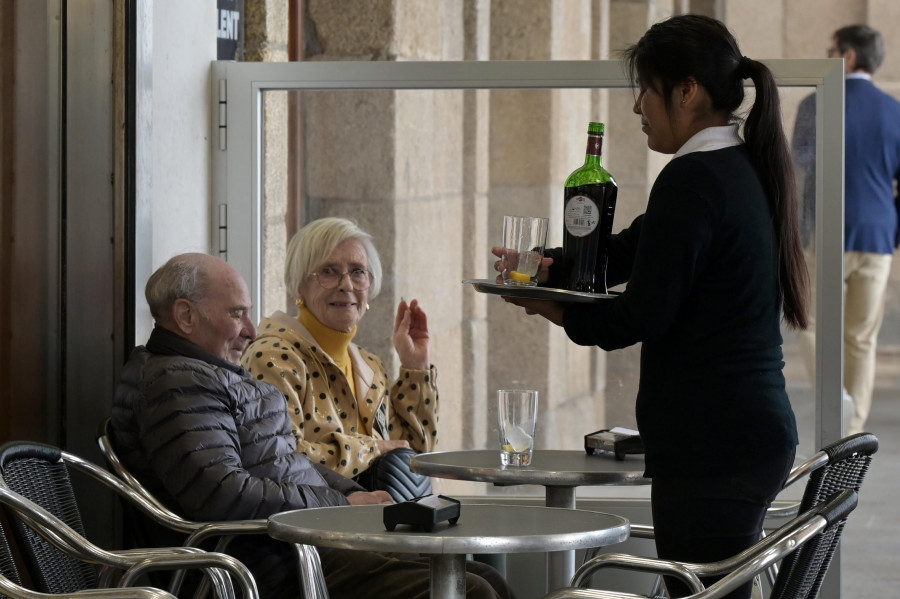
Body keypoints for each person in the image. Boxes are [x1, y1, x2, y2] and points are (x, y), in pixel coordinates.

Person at [495, 15, 806, 599]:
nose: (638, 106)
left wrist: (549, 307)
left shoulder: (694, 178)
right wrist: (548, 266)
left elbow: (638, 316)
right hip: (738, 436)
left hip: (714, 445)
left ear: (687, 92)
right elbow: (631, 251)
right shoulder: (736, 168)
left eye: (646, 88)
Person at [110, 252, 514, 599]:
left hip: (298, 543)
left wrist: (357, 500)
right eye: (238, 314)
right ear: (185, 315)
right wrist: (341, 506)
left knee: (482, 575)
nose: (251, 330)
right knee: (470, 589)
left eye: (359, 272)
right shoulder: (178, 383)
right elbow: (221, 494)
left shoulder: (206, 372)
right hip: (266, 563)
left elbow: (289, 458)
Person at [240, 217, 438, 484]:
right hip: (317, 522)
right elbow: (281, 461)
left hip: (376, 519)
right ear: (300, 285)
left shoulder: (370, 366)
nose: (346, 285)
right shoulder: (273, 358)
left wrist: (416, 366)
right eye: (329, 272)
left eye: (358, 272)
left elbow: (413, 460)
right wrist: (372, 449)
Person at [793, 24, 900, 435]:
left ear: (849, 56)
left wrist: (798, 232)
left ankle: (834, 402)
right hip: (878, 236)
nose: (828, 54)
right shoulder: (894, 111)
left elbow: (798, 166)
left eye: (831, 49)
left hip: (827, 230)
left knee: (810, 322)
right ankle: (853, 428)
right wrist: (892, 231)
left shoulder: (816, 103)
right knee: (861, 337)